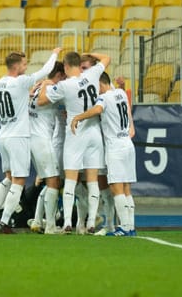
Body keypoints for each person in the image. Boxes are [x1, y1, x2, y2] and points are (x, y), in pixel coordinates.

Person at [0, 47, 62, 234]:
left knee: (8, 178)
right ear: (17, 66)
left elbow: (14, 100)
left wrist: (27, 95)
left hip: (3, 134)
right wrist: (54, 53)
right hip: (18, 136)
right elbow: (44, 72)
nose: (26, 67)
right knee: (19, 180)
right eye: (25, 64)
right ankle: (4, 222)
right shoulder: (21, 82)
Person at [37, 51, 111, 234]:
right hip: (94, 133)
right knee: (92, 180)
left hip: (75, 133)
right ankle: (91, 223)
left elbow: (41, 101)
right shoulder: (93, 74)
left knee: (70, 180)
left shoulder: (64, 85)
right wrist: (90, 54)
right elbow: (107, 58)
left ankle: (68, 222)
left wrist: (46, 85)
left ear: (66, 65)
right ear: (80, 64)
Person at [71, 71, 137, 236]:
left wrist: (78, 117)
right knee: (127, 188)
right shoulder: (120, 93)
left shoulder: (104, 98)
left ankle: (124, 228)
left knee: (116, 187)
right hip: (128, 144)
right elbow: (122, 98)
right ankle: (131, 227)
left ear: (100, 84)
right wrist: (122, 85)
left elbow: (98, 109)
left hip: (115, 147)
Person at [28, 61, 66, 234]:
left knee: (50, 181)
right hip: (42, 140)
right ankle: (50, 226)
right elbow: (44, 101)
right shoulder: (50, 89)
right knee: (53, 182)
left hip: (31, 139)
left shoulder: (36, 88)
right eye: (63, 77)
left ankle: (39, 220)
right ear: (58, 75)